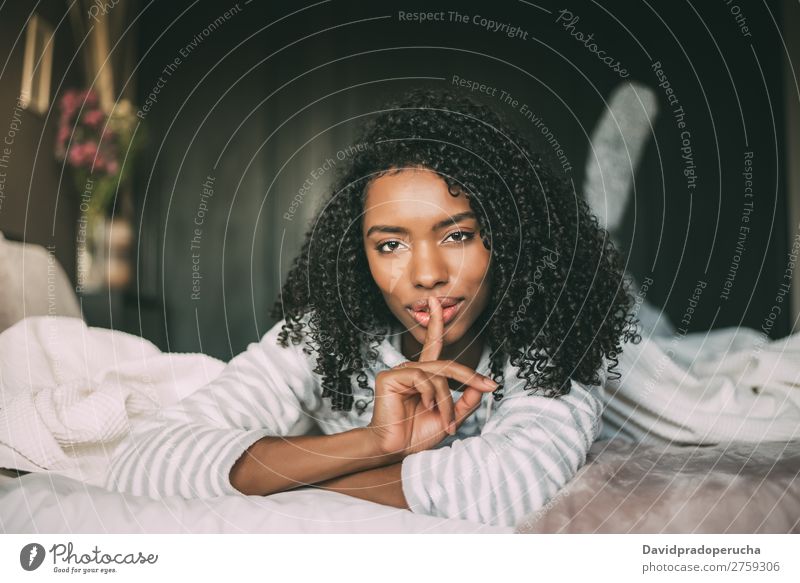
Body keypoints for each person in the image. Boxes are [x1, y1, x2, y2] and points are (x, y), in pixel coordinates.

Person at [104, 87, 640, 527]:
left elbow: (506, 487)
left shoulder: (551, 336)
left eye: (457, 235)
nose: (427, 274)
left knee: (662, 356)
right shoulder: (326, 339)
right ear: (360, 256)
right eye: (391, 244)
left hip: (622, 347)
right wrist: (373, 444)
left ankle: (603, 211)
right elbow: (144, 461)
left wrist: (298, 473)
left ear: (510, 237)